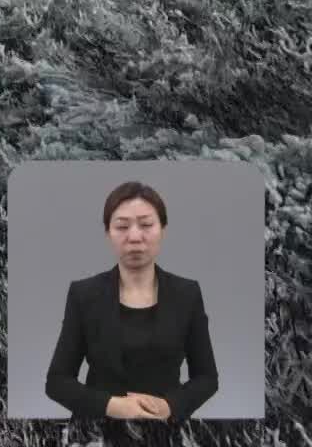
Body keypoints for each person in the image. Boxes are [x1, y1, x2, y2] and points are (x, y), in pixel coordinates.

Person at [44, 180, 220, 421]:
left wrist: (170, 406)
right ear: (108, 233)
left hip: (165, 435)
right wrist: (110, 406)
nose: (135, 236)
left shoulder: (187, 293)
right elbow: (57, 381)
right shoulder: (84, 294)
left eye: (146, 225)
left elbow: (207, 377)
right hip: (96, 435)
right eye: (122, 226)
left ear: (163, 230)